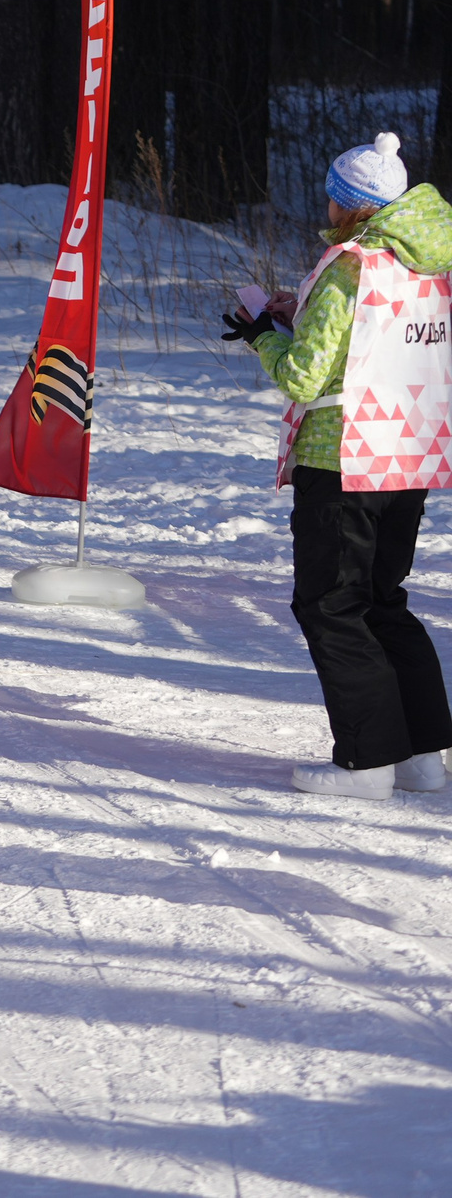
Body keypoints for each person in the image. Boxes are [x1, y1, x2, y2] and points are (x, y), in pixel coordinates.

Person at [225, 131, 452, 801]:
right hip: (409, 455)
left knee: (331, 603)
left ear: (350, 204)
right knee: (383, 599)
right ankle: (422, 755)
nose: (325, 203)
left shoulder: (350, 265)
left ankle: (366, 760)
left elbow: (303, 377)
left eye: (332, 194)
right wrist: (303, 312)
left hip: (343, 458)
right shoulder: (426, 263)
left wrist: (262, 333)